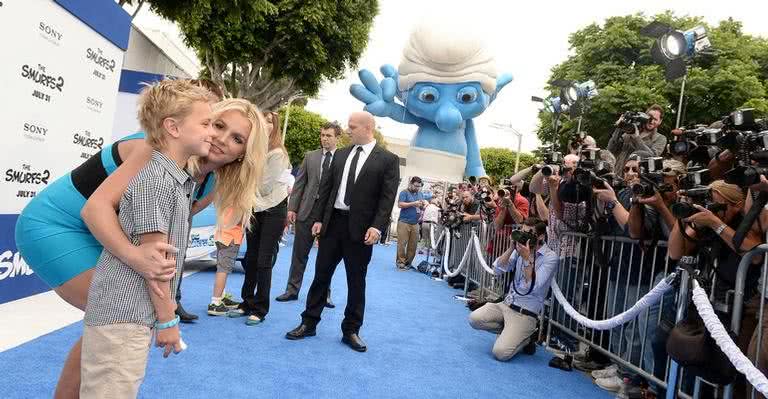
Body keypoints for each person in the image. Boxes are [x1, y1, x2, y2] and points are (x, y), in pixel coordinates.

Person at [78, 80, 215, 397]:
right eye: (205, 123)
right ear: (173, 127)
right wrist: (168, 322)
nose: (212, 132)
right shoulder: (156, 181)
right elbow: (156, 264)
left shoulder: (170, 179)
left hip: (128, 316)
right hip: (124, 317)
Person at [285, 111, 399, 352]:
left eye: (352, 126)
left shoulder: (388, 160)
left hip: (361, 231)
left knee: (356, 281)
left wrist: (377, 226)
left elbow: (387, 199)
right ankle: (309, 322)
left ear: (368, 128)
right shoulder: (341, 155)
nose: (348, 130)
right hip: (333, 224)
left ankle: (351, 330)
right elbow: (326, 190)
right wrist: (318, 219)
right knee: (320, 276)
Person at [227, 111, 291, 325]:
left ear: (275, 126)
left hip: (273, 210)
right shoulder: (254, 149)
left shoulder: (278, 153)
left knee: (264, 260)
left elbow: (264, 187)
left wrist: (246, 181)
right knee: (251, 258)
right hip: (254, 208)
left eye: (270, 121)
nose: (265, 124)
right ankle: (246, 302)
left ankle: (260, 308)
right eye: (262, 120)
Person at [468, 217, 558, 361]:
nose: (524, 237)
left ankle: (528, 336)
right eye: (522, 232)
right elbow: (497, 268)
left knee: (500, 353)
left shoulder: (550, 257)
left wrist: (528, 258)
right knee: (474, 319)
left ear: (541, 236)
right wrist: (511, 248)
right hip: (506, 304)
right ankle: (509, 332)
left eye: (529, 233)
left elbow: (533, 286)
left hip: (525, 313)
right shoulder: (520, 249)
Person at [277, 122, 341, 304]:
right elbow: (300, 184)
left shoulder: (342, 159)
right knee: (299, 255)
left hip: (329, 216)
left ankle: (324, 295)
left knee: (326, 258)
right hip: (306, 213)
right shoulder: (310, 157)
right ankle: (291, 290)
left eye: (328, 135)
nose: (324, 138)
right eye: (322, 135)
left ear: (337, 138)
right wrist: (292, 208)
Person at [607, 104, 667, 177]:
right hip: (618, 176)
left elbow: (652, 157)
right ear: (644, 116)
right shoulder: (628, 132)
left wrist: (636, 137)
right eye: (650, 118)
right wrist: (619, 127)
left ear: (660, 121)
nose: (651, 121)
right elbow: (611, 149)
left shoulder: (660, 138)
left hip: (638, 180)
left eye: (655, 119)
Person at [396, 176, 428, 271]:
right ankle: (400, 262)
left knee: (413, 245)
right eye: (415, 186)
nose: (417, 188)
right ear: (411, 183)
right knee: (402, 243)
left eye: (419, 186)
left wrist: (423, 206)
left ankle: (408, 263)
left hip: (415, 223)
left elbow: (421, 207)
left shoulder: (420, 194)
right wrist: (413, 203)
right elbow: (400, 204)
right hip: (404, 222)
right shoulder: (404, 192)